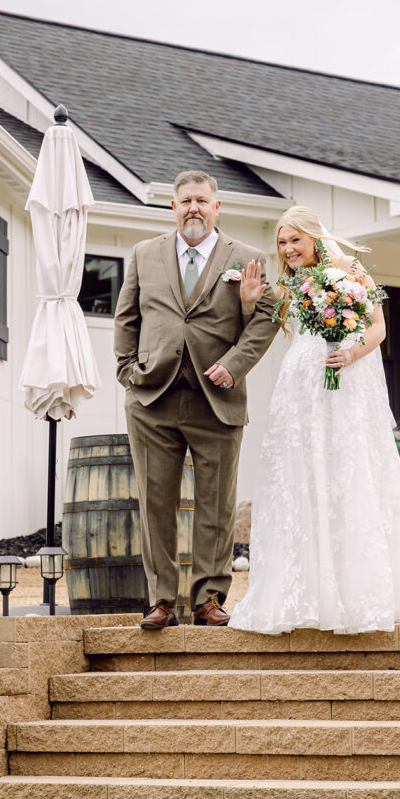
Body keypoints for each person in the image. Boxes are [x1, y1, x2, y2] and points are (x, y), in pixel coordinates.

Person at [229, 205, 400, 634]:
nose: (287, 250)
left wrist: (352, 352)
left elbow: (377, 327)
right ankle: (306, 595)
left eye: (294, 241)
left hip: (342, 380)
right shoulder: (288, 281)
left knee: (347, 473)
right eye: (282, 243)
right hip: (299, 387)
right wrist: (249, 304)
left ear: (314, 236)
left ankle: (356, 592)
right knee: (301, 478)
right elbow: (270, 325)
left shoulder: (348, 267)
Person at [114, 171, 278, 629]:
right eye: (185, 200)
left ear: (217, 207)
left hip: (218, 398)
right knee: (156, 503)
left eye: (202, 201)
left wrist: (236, 363)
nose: (194, 208)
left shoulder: (247, 258)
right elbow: (126, 317)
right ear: (173, 207)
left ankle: (208, 599)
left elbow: (267, 316)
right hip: (153, 398)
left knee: (216, 504)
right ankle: (161, 600)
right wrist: (128, 372)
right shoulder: (144, 254)